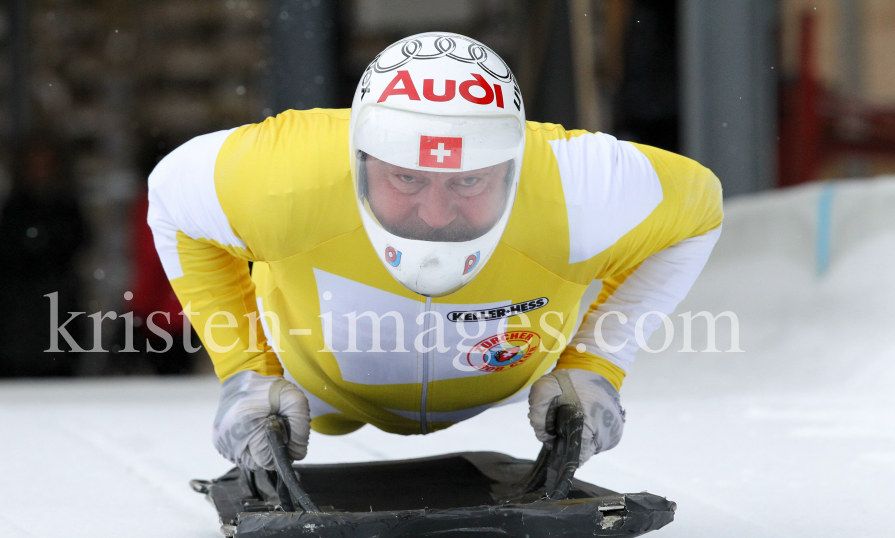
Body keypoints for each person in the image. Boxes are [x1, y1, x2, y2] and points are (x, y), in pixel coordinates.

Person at [147, 33, 722, 472]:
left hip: (504, 385)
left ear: (515, 168)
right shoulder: (281, 179)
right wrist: (247, 374)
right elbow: (170, 197)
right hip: (319, 393)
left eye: (469, 182)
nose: (436, 214)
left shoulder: (582, 189)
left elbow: (700, 213)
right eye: (407, 179)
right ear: (361, 162)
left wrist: (595, 366)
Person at [0, 137, 88, 377]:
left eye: (46, 165)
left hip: (54, 327)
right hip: (17, 333)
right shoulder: (10, 214)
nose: (40, 172)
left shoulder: (66, 212)